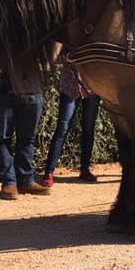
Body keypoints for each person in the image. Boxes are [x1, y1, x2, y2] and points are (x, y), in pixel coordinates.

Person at [38, 59, 102, 188]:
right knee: (62, 128)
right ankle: (48, 172)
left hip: (91, 87)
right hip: (69, 86)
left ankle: (85, 169)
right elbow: (54, 57)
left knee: (89, 129)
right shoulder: (66, 39)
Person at [0, 71, 45, 200]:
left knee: (28, 138)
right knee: (2, 138)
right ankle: (9, 182)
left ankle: (25, 181)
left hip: (34, 91)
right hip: (3, 92)